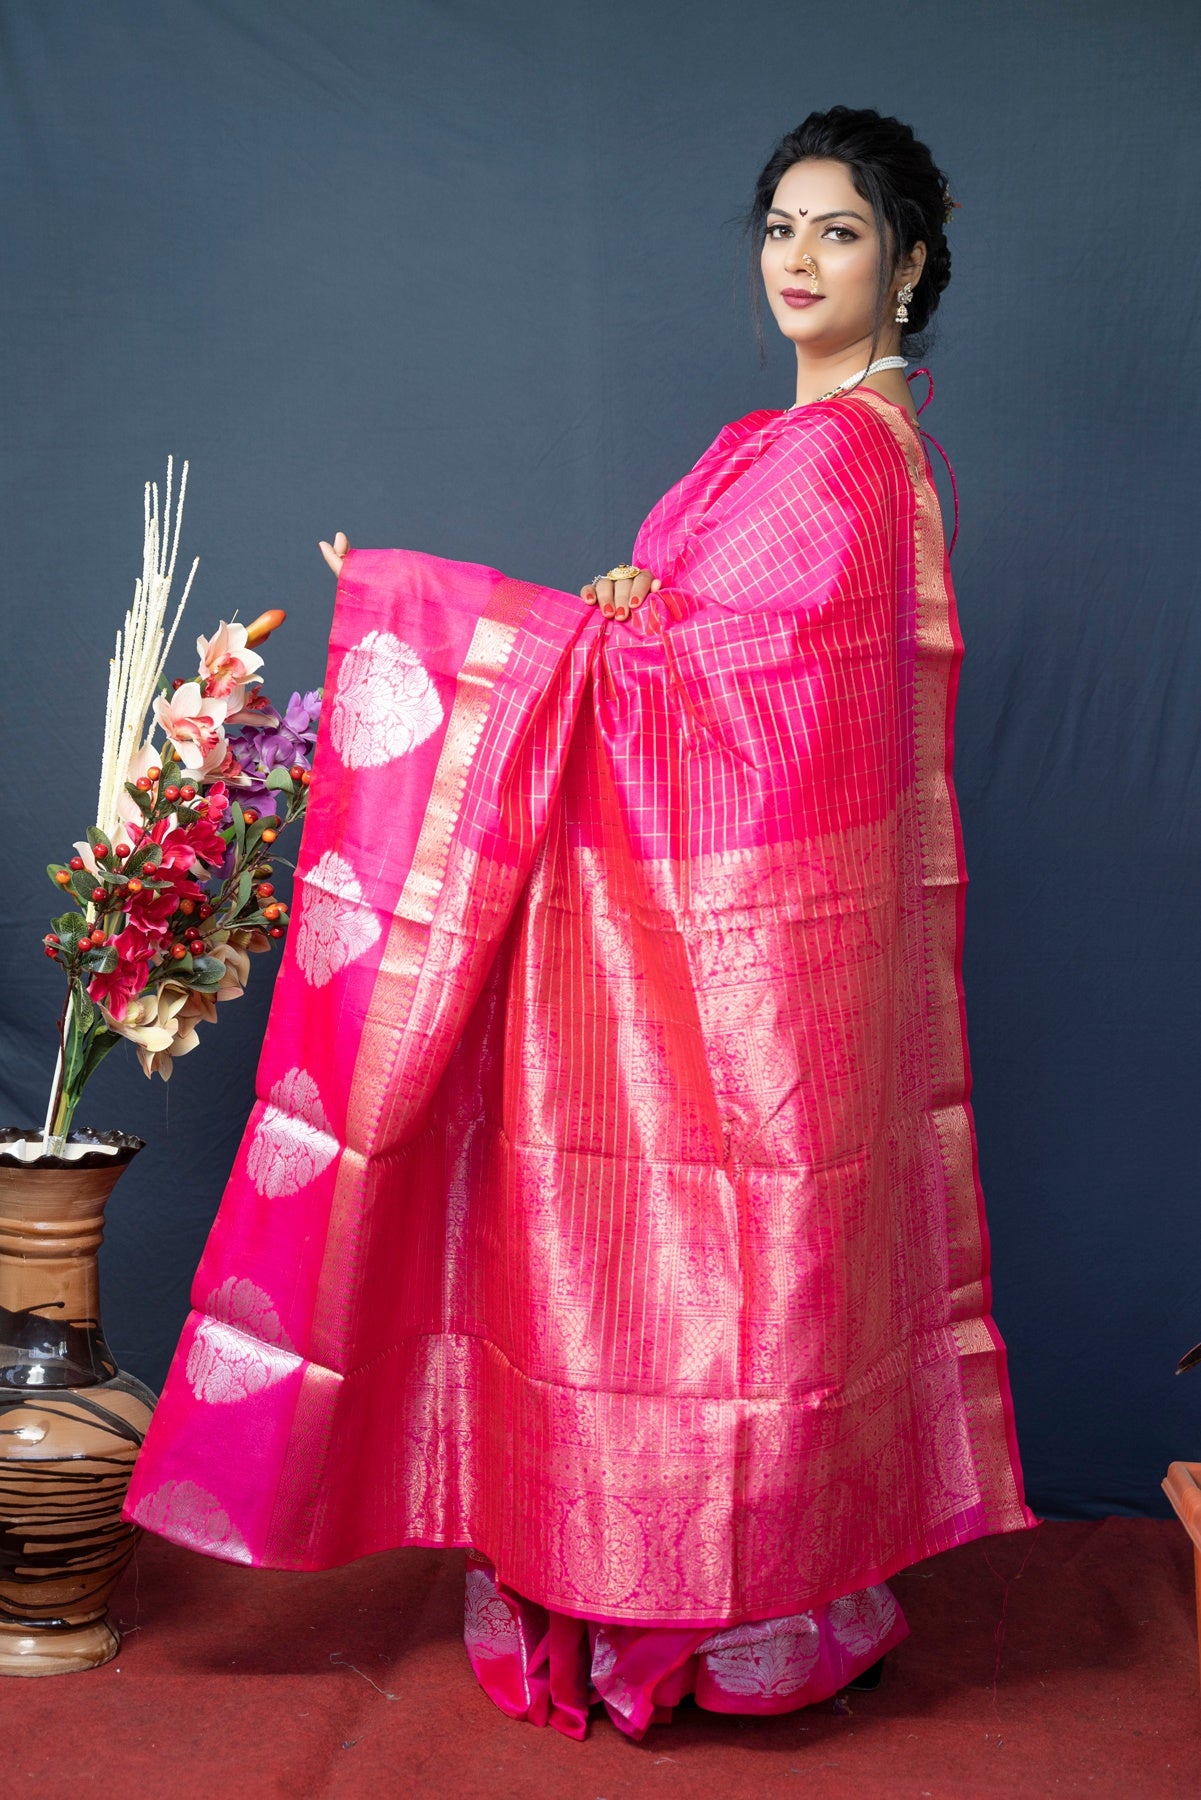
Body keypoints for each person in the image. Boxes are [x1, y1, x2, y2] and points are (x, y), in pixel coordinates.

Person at [125, 105, 1037, 1742]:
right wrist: (627, 610)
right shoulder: (792, 444)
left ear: (907, 262)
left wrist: (426, 613)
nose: (797, 259)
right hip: (733, 936)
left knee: (709, 1271)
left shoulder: (837, 459)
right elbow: (692, 649)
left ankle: (710, 1610)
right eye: (778, 226)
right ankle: (711, 1594)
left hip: (746, 954)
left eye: (837, 231)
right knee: (720, 1273)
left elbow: (728, 700)